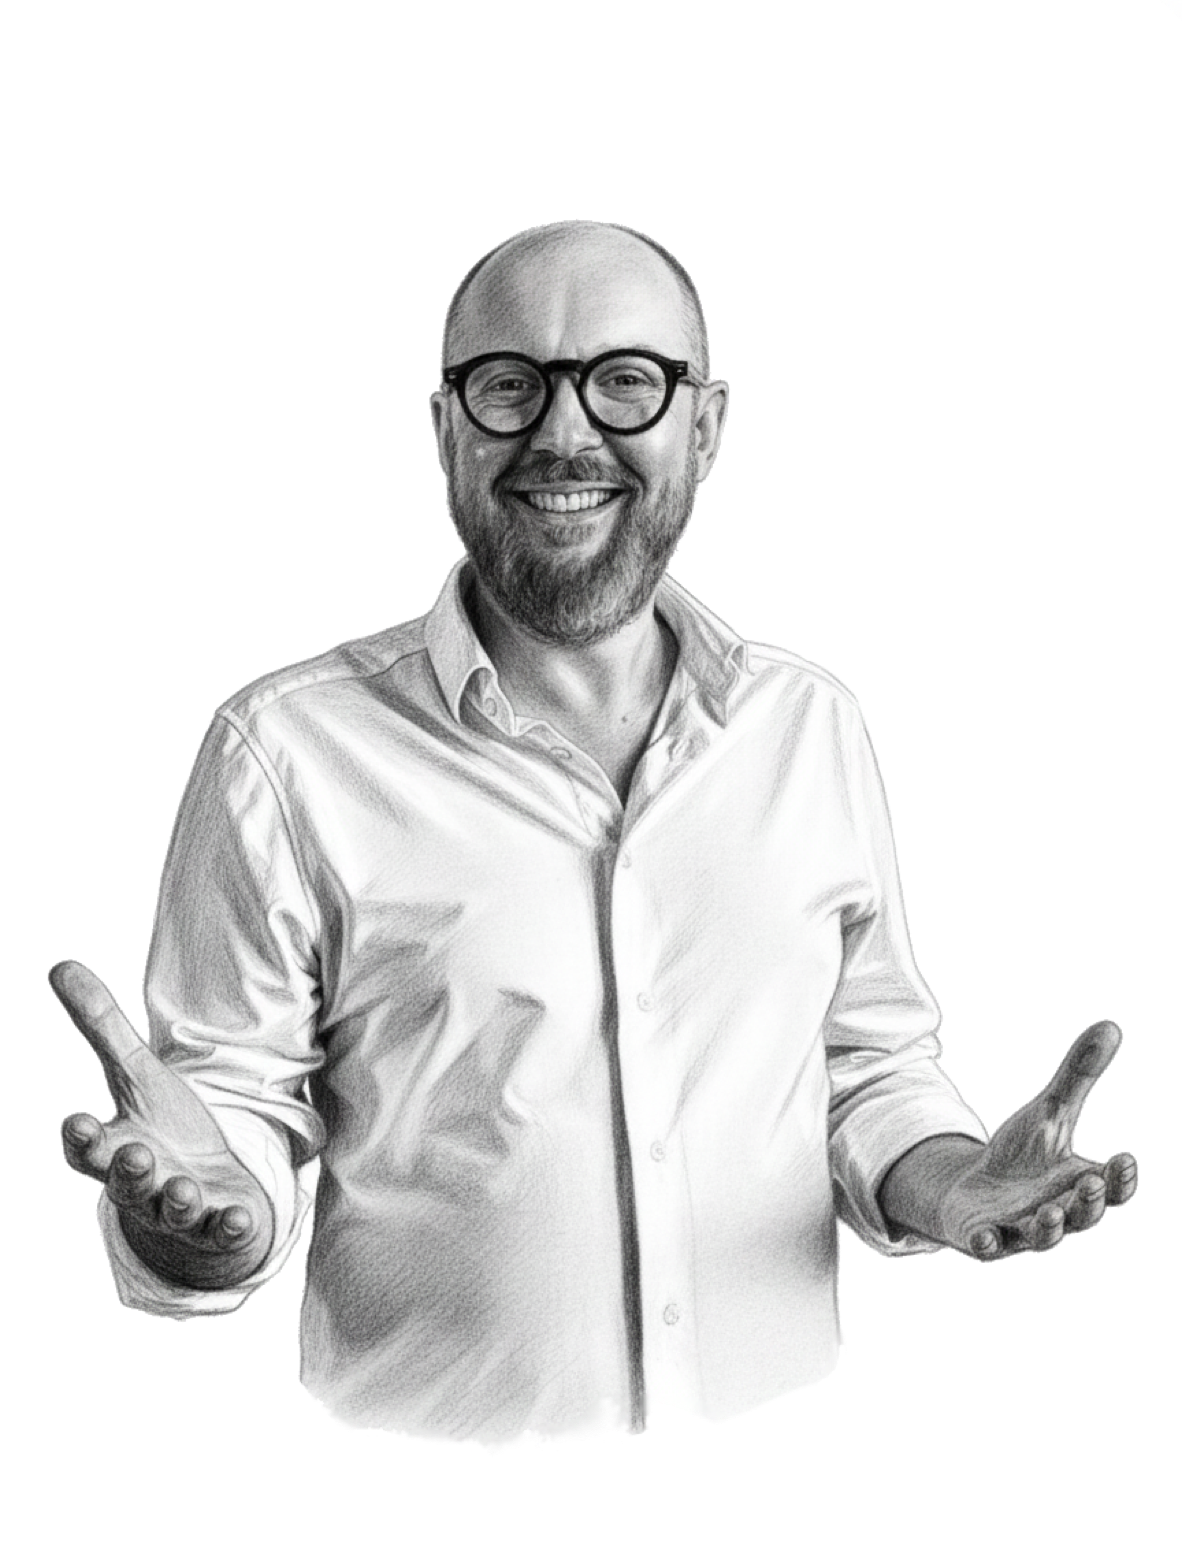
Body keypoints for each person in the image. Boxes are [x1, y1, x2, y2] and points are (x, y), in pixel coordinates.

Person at [53, 220, 1138, 1455]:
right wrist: (204, 1222)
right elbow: (230, 1107)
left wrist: (948, 1183)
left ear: (707, 424)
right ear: (445, 429)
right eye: (509, 385)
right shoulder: (284, 748)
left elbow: (861, 1063)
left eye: (626, 380)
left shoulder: (812, 722)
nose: (564, 434)